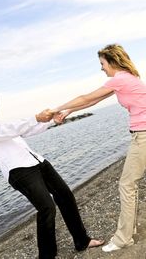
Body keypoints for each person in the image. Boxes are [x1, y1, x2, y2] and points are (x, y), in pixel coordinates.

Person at [0, 92, 104, 259]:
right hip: (19, 171)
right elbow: (10, 129)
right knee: (47, 208)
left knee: (66, 196)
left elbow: (25, 131)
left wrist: (49, 122)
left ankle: (82, 241)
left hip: (38, 162)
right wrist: (36, 117)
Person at [51, 43, 146, 253]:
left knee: (127, 186)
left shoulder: (120, 79)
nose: (101, 68)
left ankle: (123, 239)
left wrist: (56, 108)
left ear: (112, 61)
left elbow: (86, 97)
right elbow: (92, 101)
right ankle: (128, 231)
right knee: (130, 184)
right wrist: (67, 112)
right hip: (141, 135)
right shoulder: (127, 79)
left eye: (102, 63)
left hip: (143, 136)